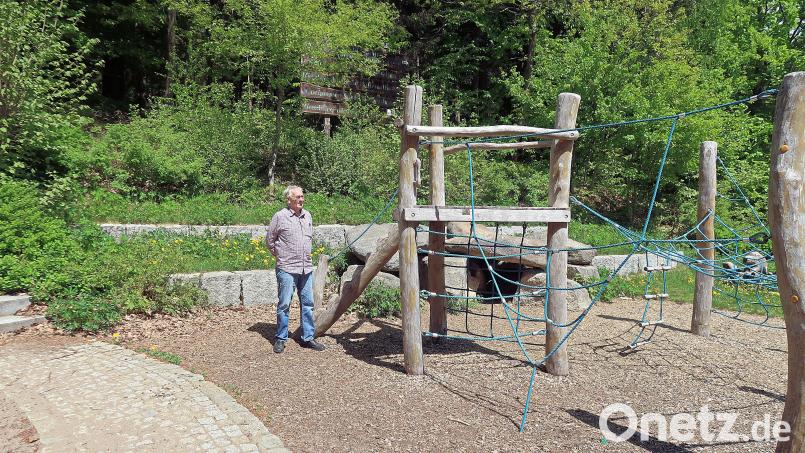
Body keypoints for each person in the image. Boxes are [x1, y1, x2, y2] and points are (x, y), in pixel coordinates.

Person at [265, 185, 325, 353]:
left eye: (302, 196)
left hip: (306, 268)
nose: (301, 199)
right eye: (298, 197)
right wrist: (280, 256)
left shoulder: (308, 216)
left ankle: (307, 338)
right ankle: (280, 338)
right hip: (287, 268)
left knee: (308, 304)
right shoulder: (280, 216)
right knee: (284, 304)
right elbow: (270, 240)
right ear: (289, 199)